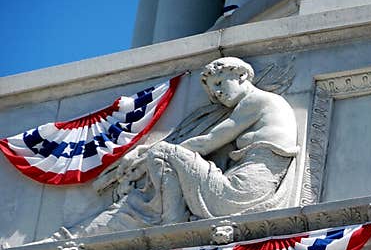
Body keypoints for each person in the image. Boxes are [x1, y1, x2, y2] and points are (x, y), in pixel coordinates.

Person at [65, 57, 299, 236]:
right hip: (244, 188)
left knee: (162, 152)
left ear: (240, 75)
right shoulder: (255, 106)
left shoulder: (258, 101)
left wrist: (145, 157)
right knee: (162, 158)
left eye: (219, 83)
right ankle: (157, 214)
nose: (217, 94)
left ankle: (169, 222)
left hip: (240, 192)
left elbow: (207, 142)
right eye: (213, 92)